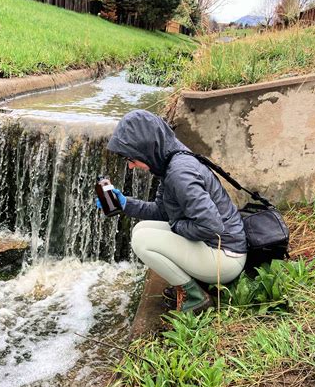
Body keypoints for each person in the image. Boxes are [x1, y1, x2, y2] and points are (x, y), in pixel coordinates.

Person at [101, 109, 247, 313]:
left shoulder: (180, 173)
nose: (132, 167)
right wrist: (125, 204)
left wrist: (177, 226)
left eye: (132, 159)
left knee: (142, 241)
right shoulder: (169, 162)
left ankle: (195, 298)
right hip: (215, 245)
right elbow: (162, 212)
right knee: (141, 229)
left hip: (225, 257)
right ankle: (191, 284)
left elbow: (212, 225)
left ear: (147, 149)